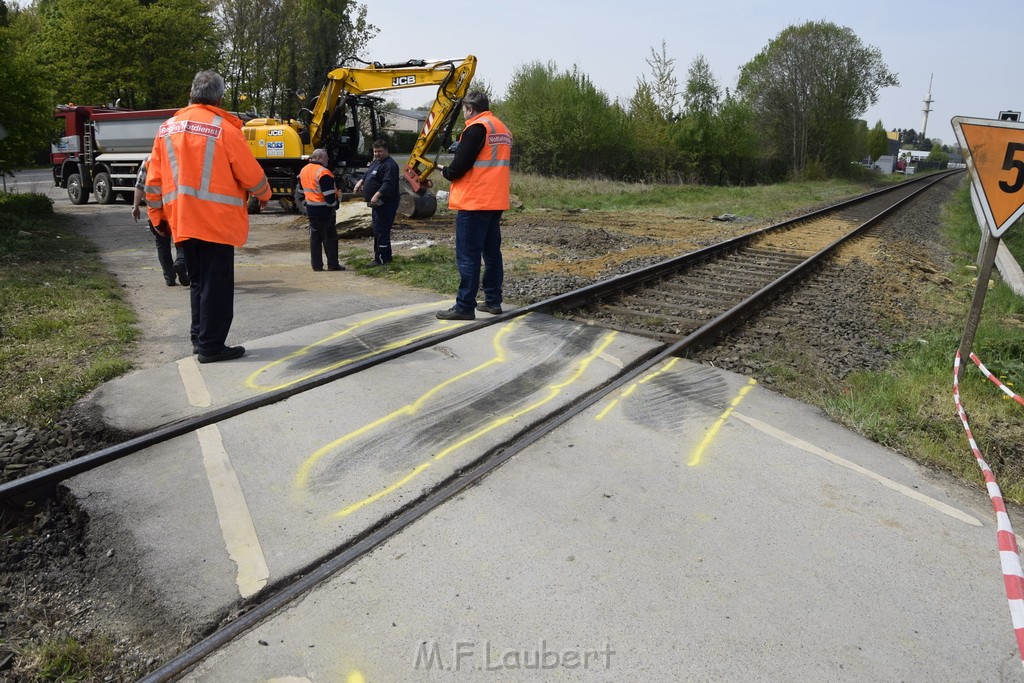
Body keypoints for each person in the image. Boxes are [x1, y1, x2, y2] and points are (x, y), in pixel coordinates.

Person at [145, 70, 271, 363]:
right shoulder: (224, 129)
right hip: (215, 222)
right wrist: (264, 195)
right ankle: (211, 347)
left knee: (199, 282)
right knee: (216, 286)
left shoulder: (166, 129)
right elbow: (251, 175)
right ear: (219, 98)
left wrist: (157, 217)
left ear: (191, 94)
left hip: (182, 221)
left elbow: (154, 180)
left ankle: (199, 339)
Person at [435, 91, 512, 320]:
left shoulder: (477, 128)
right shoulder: (502, 129)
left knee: (468, 255)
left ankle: (464, 306)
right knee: (491, 253)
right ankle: (492, 301)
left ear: (469, 108)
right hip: (495, 200)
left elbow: (460, 166)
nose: (464, 115)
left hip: (474, 201)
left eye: (464, 111)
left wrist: (446, 172)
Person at [131, 156, 189, 287]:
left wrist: (135, 206)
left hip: (157, 212)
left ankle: (169, 277)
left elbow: (140, 185)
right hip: (177, 209)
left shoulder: (148, 161)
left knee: (162, 244)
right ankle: (180, 263)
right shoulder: (178, 157)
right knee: (183, 240)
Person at [353, 140, 399, 266]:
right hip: (376, 204)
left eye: (379, 151)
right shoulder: (375, 162)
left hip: (386, 203)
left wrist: (376, 195)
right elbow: (367, 173)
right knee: (377, 229)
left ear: (386, 151)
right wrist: (360, 182)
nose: (377, 154)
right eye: (375, 151)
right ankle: (383, 256)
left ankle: (382, 259)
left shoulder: (390, 165)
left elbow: (388, 184)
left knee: (381, 230)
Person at [298, 148, 343, 271]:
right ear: (318, 158)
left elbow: (301, 192)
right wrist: (334, 205)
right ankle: (333, 265)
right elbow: (329, 195)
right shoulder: (323, 172)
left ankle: (317, 266)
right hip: (324, 210)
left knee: (315, 239)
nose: (328, 158)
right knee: (330, 239)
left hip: (311, 209)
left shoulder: (304, 170)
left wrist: (307, 203)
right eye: (325, 156)